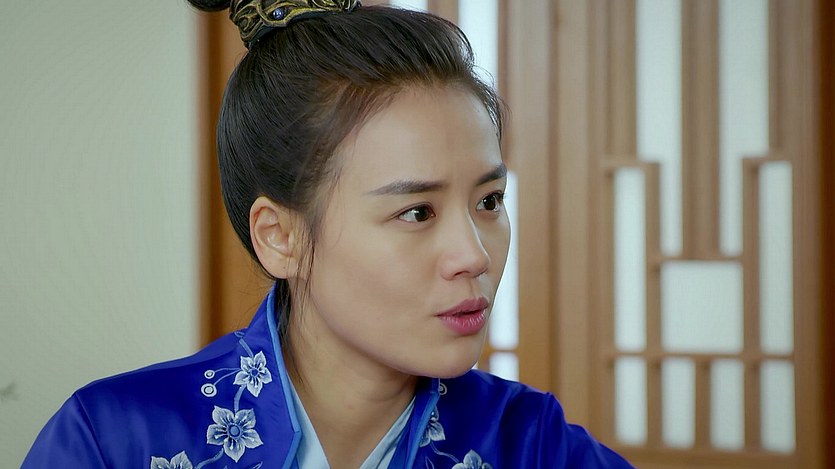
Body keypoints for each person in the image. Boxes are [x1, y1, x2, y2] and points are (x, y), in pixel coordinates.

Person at [23, 1, 634, 468]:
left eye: (489, 201)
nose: (473, 256)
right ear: (279, 237)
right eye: (417, 212)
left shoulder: (532, 443)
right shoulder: (112, 441)